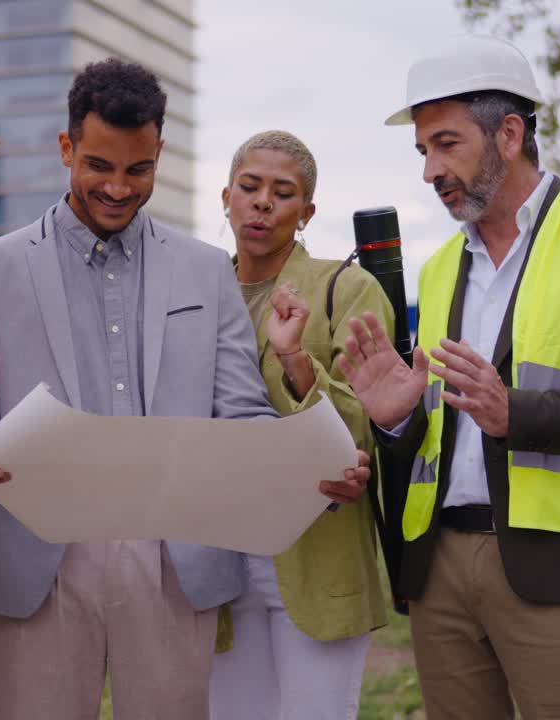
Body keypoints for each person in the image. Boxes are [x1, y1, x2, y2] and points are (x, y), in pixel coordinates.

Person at [0, 59, 370, 719]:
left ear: (160, 153)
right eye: (98, 166)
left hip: (176, 562)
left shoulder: (204, 271)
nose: (117, 187)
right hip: (40, 556)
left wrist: (301, 464)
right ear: (65, 148)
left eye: (138, 169)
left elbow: (242, 411)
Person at [337, 35, 560, 719]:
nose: (430, 169)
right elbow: (439, 438)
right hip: (441, 573)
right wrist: (398, 418)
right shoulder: (437, 271)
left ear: (510, 134)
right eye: (423, 151)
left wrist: (515, 413)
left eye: (446, 144)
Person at [208, 130, 392, 720]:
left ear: (306, 211)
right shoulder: (196, 292)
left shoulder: (347, 286)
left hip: (318, 553)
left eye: (283, 192)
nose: (263, 202)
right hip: (219, 566)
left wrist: (295, 361)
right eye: (250, 186)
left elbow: (363, 430)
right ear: (226, 197)